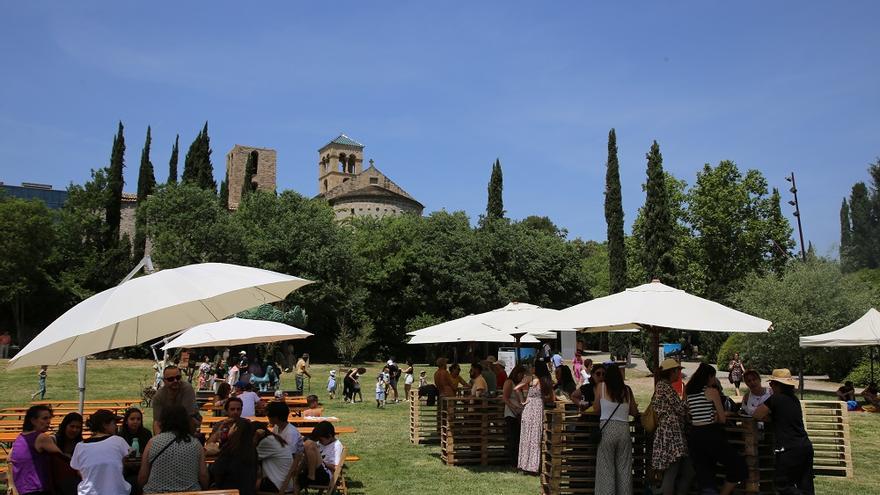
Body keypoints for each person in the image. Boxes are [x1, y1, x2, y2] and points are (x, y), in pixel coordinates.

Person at [685, 362, 747, 495]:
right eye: (713, 377)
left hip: (695, 436)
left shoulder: (688, 392)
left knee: (705, 475)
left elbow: (690, 415)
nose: (714, 380)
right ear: (709, 377)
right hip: (711, 434)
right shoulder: (712, 392)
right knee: (737, 465)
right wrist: (720, 416)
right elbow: (722, 418)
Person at [754, 369, 815, 494]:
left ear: (778, 385)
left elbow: (757, 414)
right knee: (805, 484)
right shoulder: (794, 399)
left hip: (789, 448)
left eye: (772, 384)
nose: (770, 386)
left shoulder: (775, 399)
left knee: (782, 484)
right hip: (805, 446)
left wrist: (769, 418)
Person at [139, 404, 208, 494]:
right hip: (189, 492)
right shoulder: (195, 444)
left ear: (163, 420)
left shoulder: (153, 442)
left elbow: (143, 476)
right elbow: (203, 475)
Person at [651, 358, 693, 495]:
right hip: (671, 433)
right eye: (678, 371)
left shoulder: (662, 385)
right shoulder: (665, 386)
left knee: (685, 471)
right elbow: (680, 409)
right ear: (672, 371)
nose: (679, 374)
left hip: (670, 431)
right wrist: (686, 397)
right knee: (672, 472)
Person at [594, 363, 638, 495]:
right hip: (624, 430)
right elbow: (634, 412)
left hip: (607, 431)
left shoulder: (601, 387)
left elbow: (596, 408)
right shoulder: (627, 391)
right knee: (624, 469)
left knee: (606, 468)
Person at [69, 409, 131, 495]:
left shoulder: (80, 446)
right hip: (116, 491)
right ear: (105, 425)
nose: (116, 426)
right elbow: (125, 461)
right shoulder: (118, 441)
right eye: (114, 423)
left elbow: (79, 470)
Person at [10, 404, 64, 495]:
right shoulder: (41, 438)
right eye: (44, 418)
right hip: (39, 488)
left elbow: (9, 459)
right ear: (33, 421)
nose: (49, 422)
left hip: (23, 489)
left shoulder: (20, 438)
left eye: (49, 418)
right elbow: (63, 459)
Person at [516, 358, 555, 473]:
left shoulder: (531, 379)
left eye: (533, 366)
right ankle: (534, 465)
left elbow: (516, 388)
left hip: (529, 408)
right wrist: (542, 398)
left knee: (526, 436)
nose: (531, 368)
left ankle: (524, 464)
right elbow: (552, 398)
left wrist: (523, 400)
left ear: (536, 369)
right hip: (539, 408)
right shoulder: (546, 381)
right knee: (536, 437)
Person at [257, 401, 304, 493]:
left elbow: (291, 458)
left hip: (287, 473)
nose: (268, 418)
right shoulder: (277, 428)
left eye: (269, 416)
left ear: (276, 417)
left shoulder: (291, 433)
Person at [211, 419, 258, 495]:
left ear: (236, 430)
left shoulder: (230, 449)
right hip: (248, 491)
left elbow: (216, 470)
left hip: (229, 491)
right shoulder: (252, 450)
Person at [296, 421, 343, 493]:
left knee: (309, 443)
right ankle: (301, 473)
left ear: (330, 436)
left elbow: (336, 467)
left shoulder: (336, 445)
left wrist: (323, 462)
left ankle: (311, 475)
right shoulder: (319, 443)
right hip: (315, 471)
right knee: (296, 480)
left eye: (321, 439)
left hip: (325, 475)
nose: (319, 442)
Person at [152, 365, 198, 434]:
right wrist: (158, 440)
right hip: (167, 426)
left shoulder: (187, 388)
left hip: (187, 424)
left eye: (178, 377)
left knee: (192, 419)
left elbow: (187, 415)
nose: (175, 381)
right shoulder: (158, 396)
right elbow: (157, 422)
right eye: (171, 379)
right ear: (164, 381)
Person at [51, 412, 83, 495]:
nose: (74, 430)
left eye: (78, 427)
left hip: (74, 484)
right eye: (72, 426)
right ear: (65, 426)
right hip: (55, 484)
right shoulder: (53, 440)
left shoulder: (81, 445)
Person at [502, 365, 526, 466]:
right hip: (511, 414)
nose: (522, 377)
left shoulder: (518, 384)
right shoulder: (509, 382)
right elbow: (505, 398)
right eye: (521, 375)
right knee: (513, 438)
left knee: (517, 438)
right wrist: (513, 408)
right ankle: (513, 461)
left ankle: (517, 460)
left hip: (518, 414)